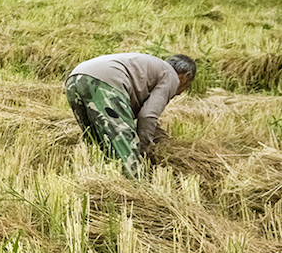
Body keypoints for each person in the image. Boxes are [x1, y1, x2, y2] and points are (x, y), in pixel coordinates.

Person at [65, 52, 196, 177]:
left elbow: (141, 116)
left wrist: (163, 140)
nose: (180, 93)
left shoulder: (152, 69)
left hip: (75, 79)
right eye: (187, 86)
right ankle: (133, 190)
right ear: (186, 76)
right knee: (126, 151)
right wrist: (142, 151)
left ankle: (98, 178)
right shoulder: (171, 76)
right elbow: (147, 116)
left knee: (97, 141)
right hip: (104, 83)